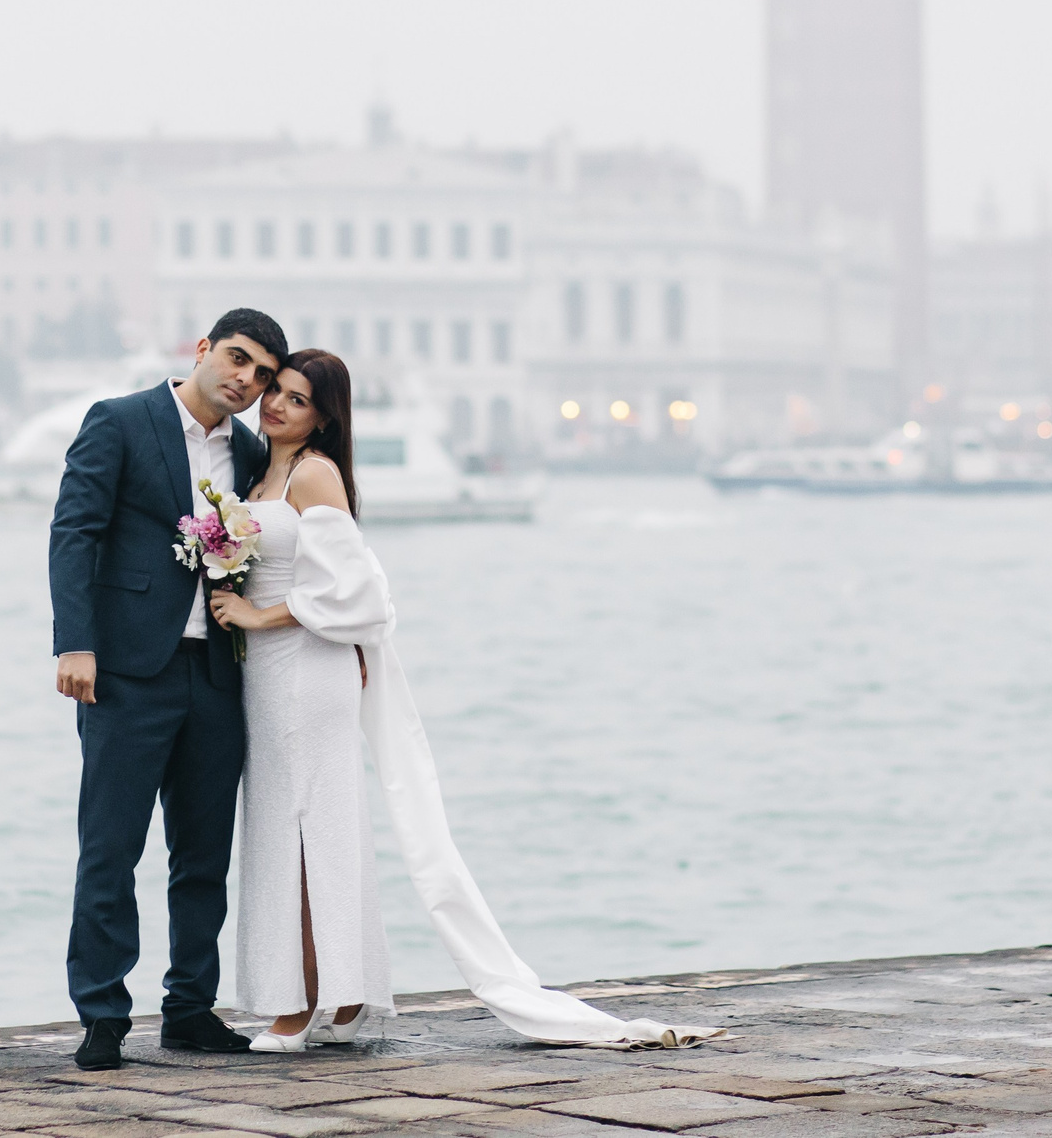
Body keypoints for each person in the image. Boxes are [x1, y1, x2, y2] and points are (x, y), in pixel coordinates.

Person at [209, 350, 716, 1050]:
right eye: (277, 392)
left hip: (303, 668)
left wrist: (260, 615)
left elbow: (361, 591)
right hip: (267, 676)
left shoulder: (314, 471)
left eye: (297, 400)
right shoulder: (261, 468)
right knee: (305, 826)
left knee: (301, 832)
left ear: (323, 416)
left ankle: (299, 1006)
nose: (277, 407)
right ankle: (345, 995)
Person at [49, 308, 287, 1071]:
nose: (246, 378)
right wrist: (74, 641)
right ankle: (103, 1014)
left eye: (260, 374)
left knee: (203, 854)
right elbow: (74, 530)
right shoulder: (119, 420)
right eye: (239, 358)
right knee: (110, 847)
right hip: (123, 670)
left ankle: (189, 1007)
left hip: (218, 673)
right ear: (204, 349)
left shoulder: (251, 454)